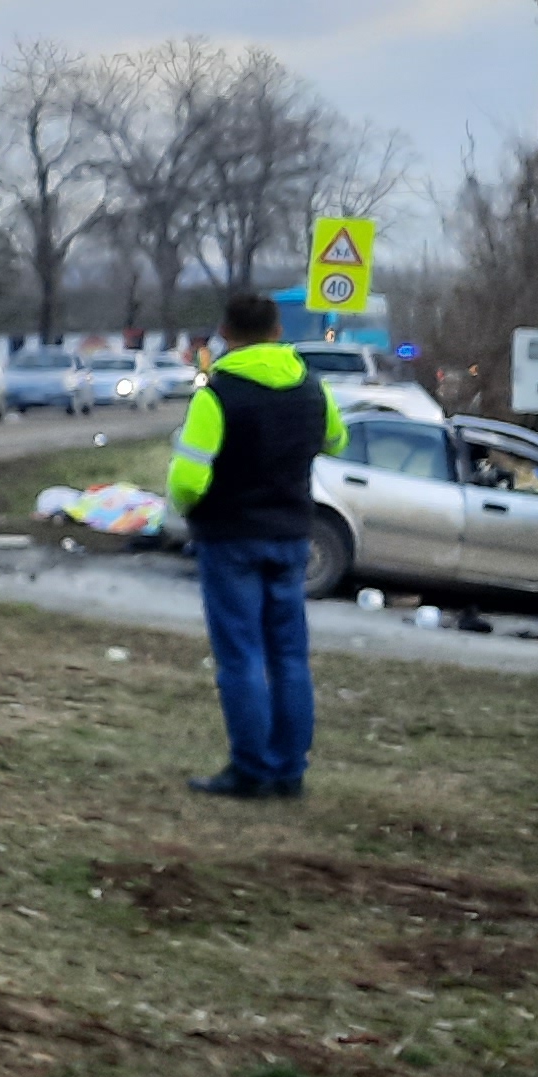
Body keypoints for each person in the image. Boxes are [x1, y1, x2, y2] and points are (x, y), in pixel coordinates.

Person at [166, 292, 345, 798]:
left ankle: (250, 767)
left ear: (225, 330)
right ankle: (289, 769)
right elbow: (337, 440)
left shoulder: (216, 394)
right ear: (277, 328)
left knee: (240, 655)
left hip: (229, 539)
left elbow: (188, 479)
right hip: (291, 536)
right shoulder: (311, 387)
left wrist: (191, 509)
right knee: (289, 655)